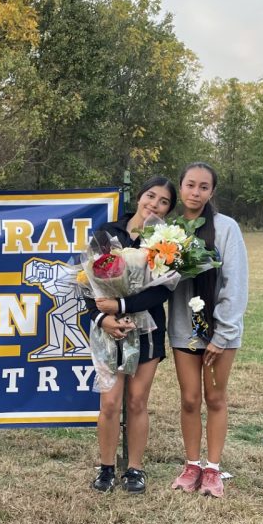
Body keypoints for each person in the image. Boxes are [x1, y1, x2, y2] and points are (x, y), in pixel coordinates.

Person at [87, 176, 177, 494]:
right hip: (110, 329)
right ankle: (107, 468)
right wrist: (102, 318)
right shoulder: (107, 233)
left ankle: (135, 469)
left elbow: (160, 293)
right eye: (150, 196)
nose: (154, 204)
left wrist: (122, 303)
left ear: (168, 210)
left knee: (138, 402)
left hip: (148, 328)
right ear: (139, 197)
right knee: (110, 403)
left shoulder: (166, 241)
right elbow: (87, 283)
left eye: (163, 201)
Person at [167, 162, 249, 498]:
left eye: (203, 187)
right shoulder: (167, 230)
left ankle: (213, 469)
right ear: (181, 186)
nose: (195, 192)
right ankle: (192, 464)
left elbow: (235, 283)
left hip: (219, 331)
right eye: (189, 185)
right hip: (183, 328)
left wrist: (222, 334)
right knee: (189, 400)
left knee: (215, 398)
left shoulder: (226, 228)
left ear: (212, 192)